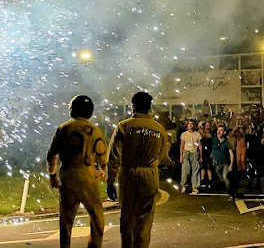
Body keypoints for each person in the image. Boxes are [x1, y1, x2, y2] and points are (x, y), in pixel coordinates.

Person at [107, 92, 171, 248]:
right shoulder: (159, 129)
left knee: (127, 218)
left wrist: (110, 181)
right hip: (150, 175)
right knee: (145, 219)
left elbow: (113, 156)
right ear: (149, 107)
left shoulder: (124, 126)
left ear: (132, 106)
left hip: (128, 174)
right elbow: (163, 155)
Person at [47, 95, 108, 248]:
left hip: (67, 175)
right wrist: (102, 171)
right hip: (86, 175)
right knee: (96, 215)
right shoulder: (95, 130)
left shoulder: (63, 128)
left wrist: (53, 176)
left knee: (66, 219)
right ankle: (94, 244)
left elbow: (52, 154)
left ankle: (65, 245)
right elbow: (102, 157)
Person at [211, 124, 235, 200]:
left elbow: (231, 154)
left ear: (224, 132)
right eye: (218, 130)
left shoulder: (227, 142)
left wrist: (231, 164)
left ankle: (231, 193)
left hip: (225, 163)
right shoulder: (214, 139)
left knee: (225, 177)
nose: (219, 132)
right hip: (216, 164)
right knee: (222, 179)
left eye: (221, 131)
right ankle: (227, 187)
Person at [180, 119, 203, 194]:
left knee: (195, 171)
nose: (190, 125)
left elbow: (200, 146)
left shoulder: (197, 134)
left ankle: (195, 187)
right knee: (185, 171)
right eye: (189, 124)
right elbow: (182, 145)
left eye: (192, 124)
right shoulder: (184, 134)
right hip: (186, 153)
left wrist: (201, 156)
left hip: (194, 152)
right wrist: (181, 156)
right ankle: (184, 185)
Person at [199, 121, 213, 189]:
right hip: (203, 152)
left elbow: (209, 136)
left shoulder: (211, 134)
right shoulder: (201, 133)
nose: (207, 126)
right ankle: (202, 181)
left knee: (209, 168)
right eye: (206, 125)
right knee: (202, 167)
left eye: (208, 125)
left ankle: (210, 182)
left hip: (209, 152)